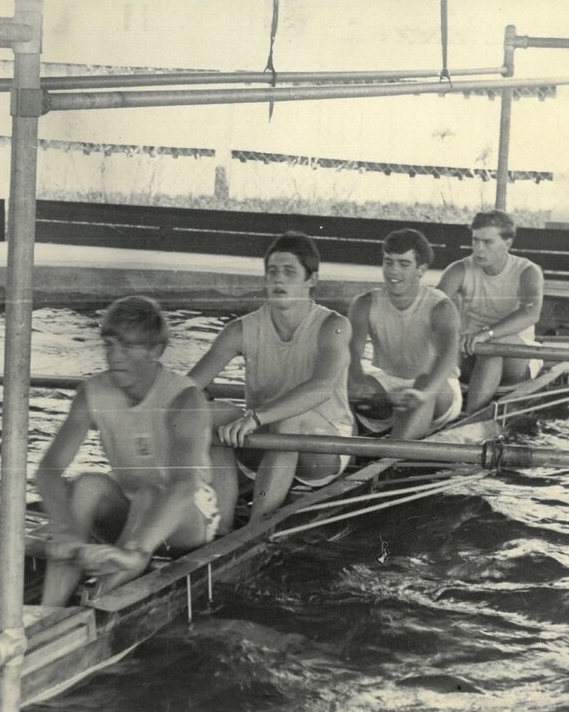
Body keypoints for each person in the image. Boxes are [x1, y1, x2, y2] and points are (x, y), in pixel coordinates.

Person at [35, 296, 237, 606]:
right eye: (109, 345)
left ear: (156, 351)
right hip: (133, 507)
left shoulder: (184, 399)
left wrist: (137, 549)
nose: (115, 358)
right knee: (88, 484)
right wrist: (63, 528)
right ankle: (47, 613)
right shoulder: (91, 393)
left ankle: (99, 595)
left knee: (149, 495)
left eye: (128, 349)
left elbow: (182, 487)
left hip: (188, 516)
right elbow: (48, 470)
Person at [188, 230, 353, 522]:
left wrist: (255, 417)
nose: (278, 280)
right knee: (208, 413)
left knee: (287, 422)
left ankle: (254, 530)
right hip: (263, 441)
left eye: (289, 272)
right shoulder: (240, 329)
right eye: (272, 272)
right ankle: (220, 528)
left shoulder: (334, 325)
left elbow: (322, 387)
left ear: (311, 280)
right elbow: (187, 388)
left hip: (323, 450)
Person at [348, 228, 461, 440]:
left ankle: (391, 457)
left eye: (403, 264)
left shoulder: (441, 307)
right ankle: (349, 456)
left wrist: (424, 394)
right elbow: (352, 353)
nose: (393, 271)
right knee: (346, 386)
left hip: (437, 388)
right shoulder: (364, 303)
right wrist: (356, 381)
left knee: (422, 382)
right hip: (387, 383)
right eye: (388, 262)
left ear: (421, 269)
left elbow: (447, 358)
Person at [436, 209, 544, 414]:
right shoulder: (459, 269)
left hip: (516, 359)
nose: (478, 249)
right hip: (470, 351)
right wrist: (452, 333)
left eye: (487, 242)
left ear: (508, 244)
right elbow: (433, 309)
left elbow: (531, 313)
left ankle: (469, 418)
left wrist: (485, 333)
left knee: (493, 345)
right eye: (475, 240)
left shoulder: (528, 271)